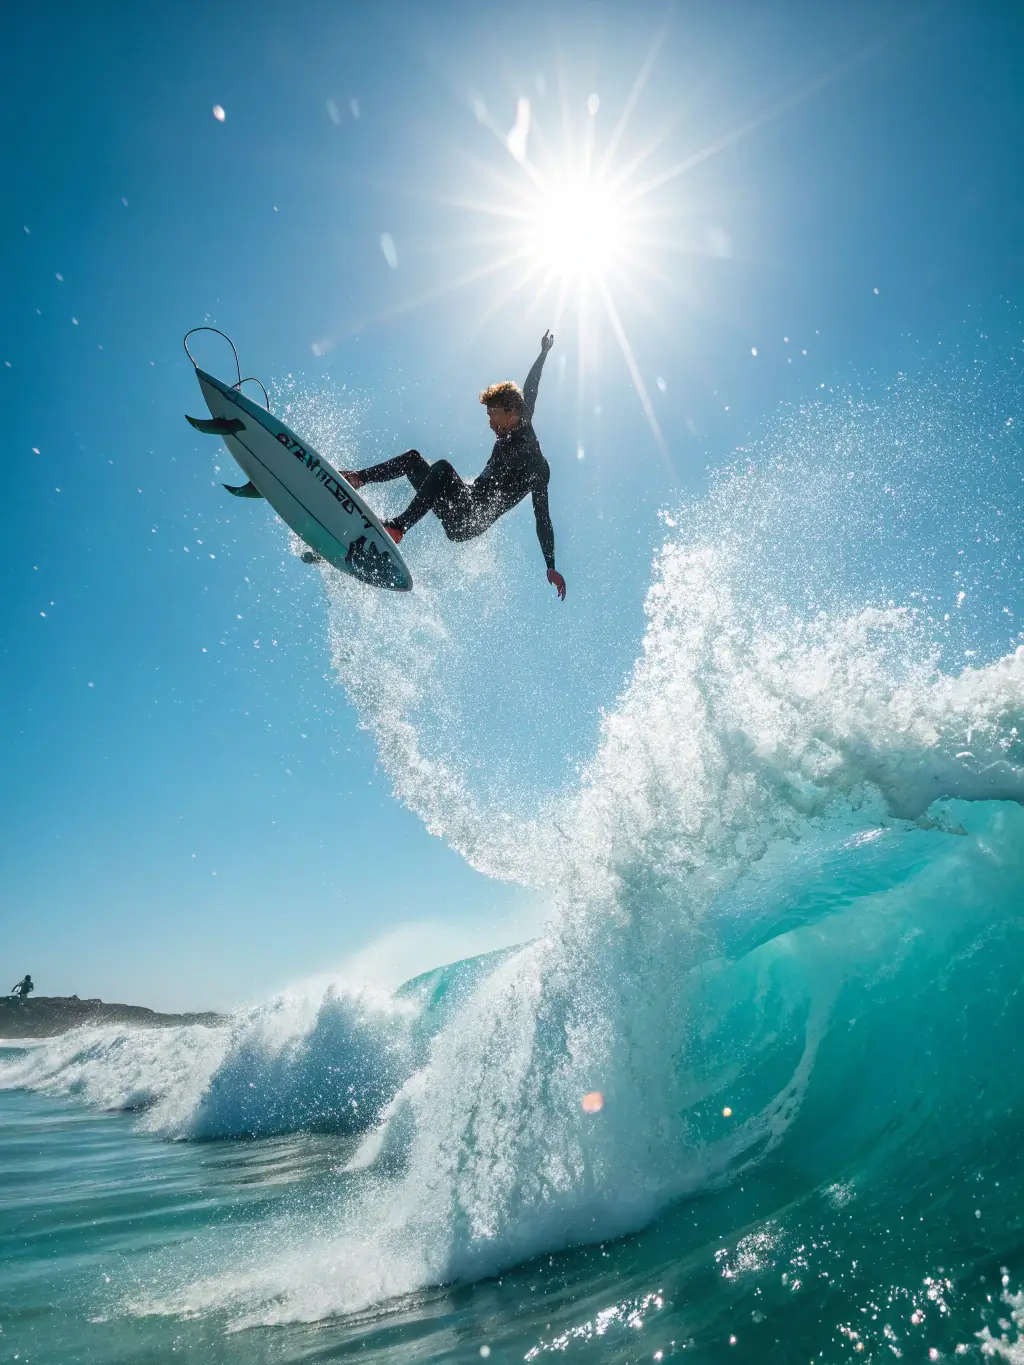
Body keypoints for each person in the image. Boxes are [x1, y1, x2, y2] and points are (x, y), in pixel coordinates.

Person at [342, 331, 567, 599]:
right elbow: (531, 387)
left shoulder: (538, 468)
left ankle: (397, 528)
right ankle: (357, 479)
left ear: (511, 411)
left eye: (492, 416)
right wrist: (542, 353)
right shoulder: (517, 419)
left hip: (472, 519)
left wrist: (550, 565)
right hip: (462, 502)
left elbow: (542, 518)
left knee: (443, 469)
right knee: (413, 459)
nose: (490, 424)